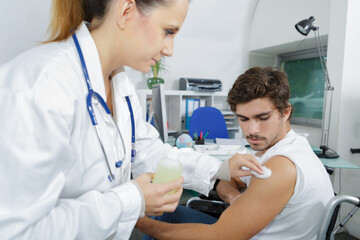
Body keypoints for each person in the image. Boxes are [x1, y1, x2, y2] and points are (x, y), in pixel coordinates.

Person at [0, 1, 265, 239]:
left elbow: (149, 152)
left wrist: (220, 169)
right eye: (169, 31)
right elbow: (19, 230)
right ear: (126, 11)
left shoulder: (120, 85)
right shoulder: (38, 86)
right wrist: (131, 199)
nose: (170, 49)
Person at [137, 66, 335, 240]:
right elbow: (231, 181)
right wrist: (233, 196)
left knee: (161, 220)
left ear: (285, 112)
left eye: (262, 118)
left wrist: (136, 218)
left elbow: (219, 236)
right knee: (170, 215)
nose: (252, 130)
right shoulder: (283, 146)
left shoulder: (281, 166)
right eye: (244, 119)